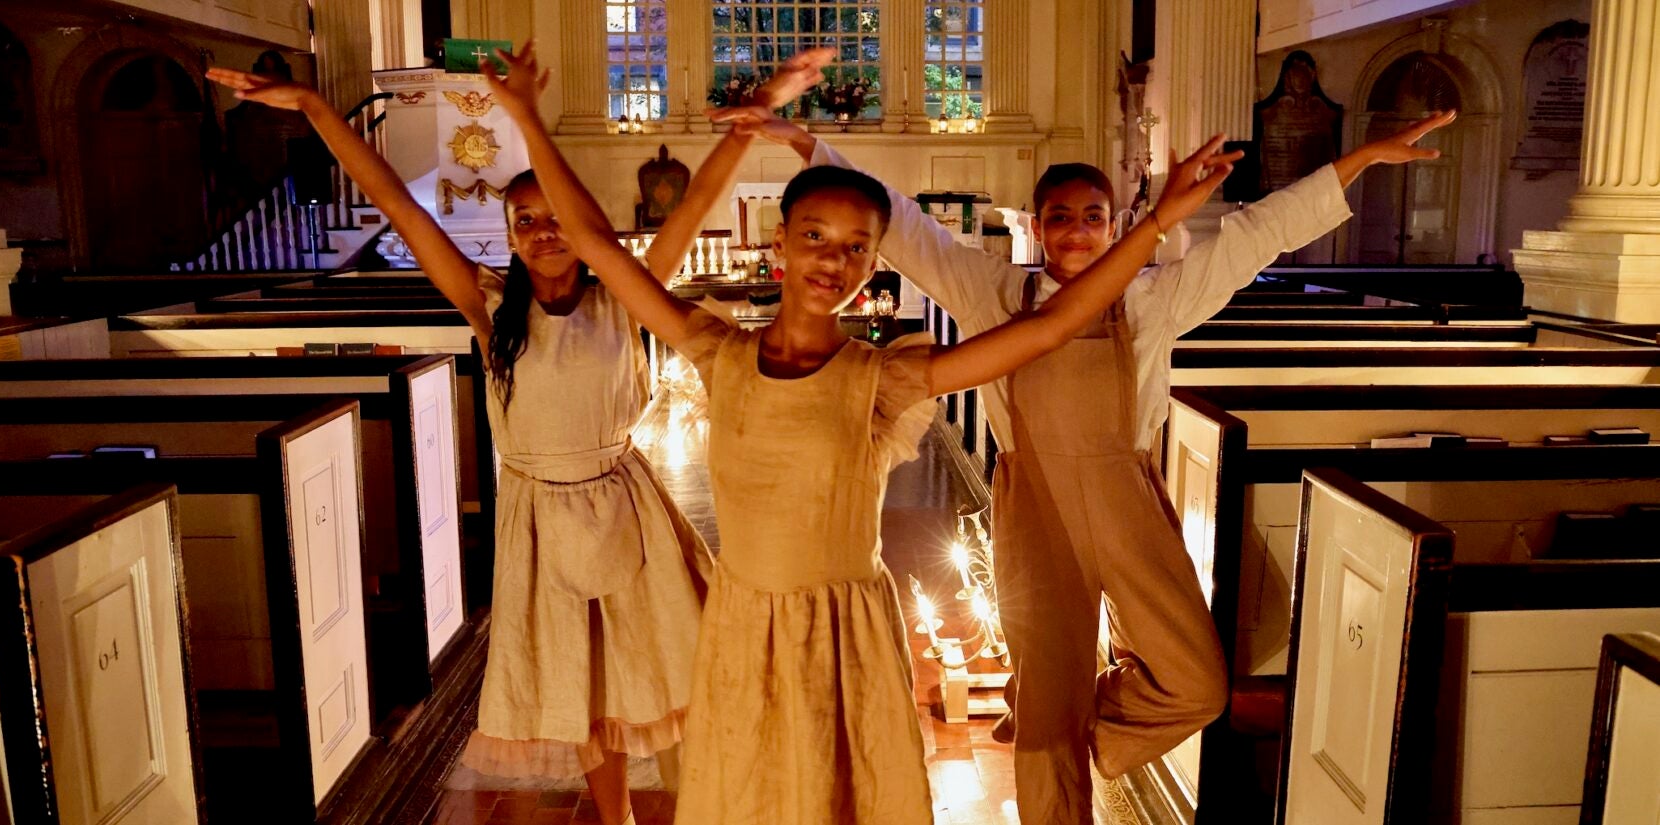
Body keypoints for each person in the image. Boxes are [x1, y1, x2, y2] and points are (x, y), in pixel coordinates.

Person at [479, 41, 1239, 825]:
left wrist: (1154, 228)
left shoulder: (885, 379)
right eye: (814, 237)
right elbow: (602, 246)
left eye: (857, 248)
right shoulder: (715, 349)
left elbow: (1048, 328)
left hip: (850, 638)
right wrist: (528, 117)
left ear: (877, 263)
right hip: (743, 630)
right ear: (778, 244)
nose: (833, 261)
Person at [712, 104, 1457, 824]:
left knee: (1197, 682)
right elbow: (904, 226)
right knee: (1045, 708)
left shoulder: (1153, 299)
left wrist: (1357, 160)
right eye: (1060, 217)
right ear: (1037, 227)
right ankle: (1048, 738)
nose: (1075, 231)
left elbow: (1254, 236)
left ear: (1115, 224)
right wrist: (802, 141)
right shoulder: (995, 291)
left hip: (1125, 495)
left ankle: (1080, 728)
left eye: (1092, 216)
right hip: (1032, 499)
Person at [206, 58, 824, 825]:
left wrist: (755, 119)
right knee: (586, 687)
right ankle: (619, 818)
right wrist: (314, 108)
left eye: (554, 213)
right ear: (508, 237)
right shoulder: (489, 305)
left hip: (627, 506)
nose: (542, 231)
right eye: (524, 220)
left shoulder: (622, 297)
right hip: (535, 518)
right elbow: (400, 208)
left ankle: (708, 806)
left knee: (673, 665)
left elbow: (695, 204)